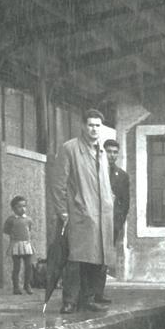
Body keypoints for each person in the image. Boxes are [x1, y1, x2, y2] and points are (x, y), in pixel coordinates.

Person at [48, 109, 115, 314]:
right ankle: (69, 301)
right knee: (75, 259)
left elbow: (104, 182)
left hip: (102, 214)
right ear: (83, 126)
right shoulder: (70, 148)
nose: (94, 129)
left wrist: (110, 202)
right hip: (80, 211)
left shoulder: (102, 152)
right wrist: (63, 212)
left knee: (96, 259)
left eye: (97, 125)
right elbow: (58, 183)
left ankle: (88, 299)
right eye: (90, 125)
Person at [93, 139, 131, 305]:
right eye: (109, 151)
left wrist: (119, 222)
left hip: (111, 224)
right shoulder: (93, 171)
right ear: (102, 152)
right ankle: (86, 294)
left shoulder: (122, 176)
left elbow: (125, 202)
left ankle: (98, 293)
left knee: (105, 259)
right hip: (93, 223)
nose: (112, 155)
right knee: (91, 258)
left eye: (115, 152)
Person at [3, 195, 34, 295]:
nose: (22, 209)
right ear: (13, 209)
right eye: (19, 207)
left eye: (24, 206)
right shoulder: (11, 220)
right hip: (16, 245)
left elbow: (29, 229)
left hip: (26, 244)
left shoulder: (28, 219)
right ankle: (16, 287)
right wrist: (14, 237)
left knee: (28, 266)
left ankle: (27, 285)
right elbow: (6, 230)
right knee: (17, 267)